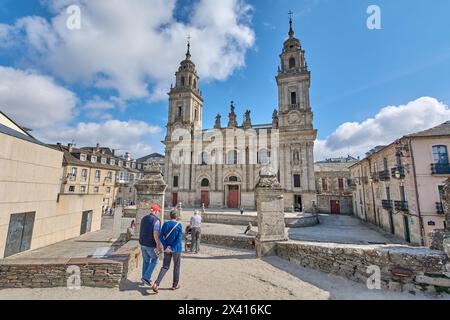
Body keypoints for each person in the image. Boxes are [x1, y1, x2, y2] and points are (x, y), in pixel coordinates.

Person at [152, 211, 183, 293]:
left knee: (165, 267)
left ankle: (156, 283)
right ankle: (175, 285)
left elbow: (161, 236)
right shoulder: (179, 225)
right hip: (176, 249)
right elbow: (179, 239)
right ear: (176, 217)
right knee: (176, 266)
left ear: (170, 216)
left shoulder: (166, 224)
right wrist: (171, 247)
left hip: (167, 249)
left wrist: (166, 246)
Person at [139, 203, 162, 287]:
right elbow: (155, 233)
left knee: (145, 261)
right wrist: (158, 244)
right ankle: (146, 278)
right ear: (155, 211)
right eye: (158, 211)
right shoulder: (156, 220)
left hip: (142, 243)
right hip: (150, 244)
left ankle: (144, 279)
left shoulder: (144, 218)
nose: (159, 212)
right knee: (155, 260)